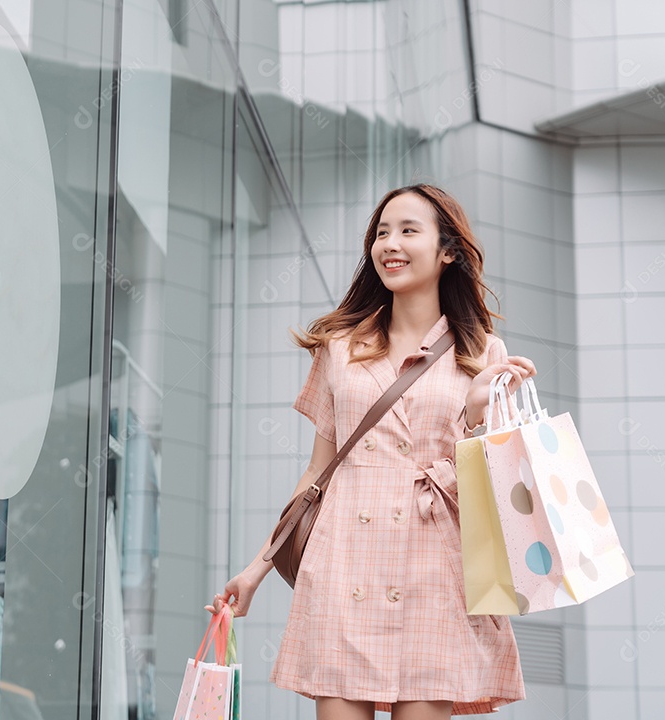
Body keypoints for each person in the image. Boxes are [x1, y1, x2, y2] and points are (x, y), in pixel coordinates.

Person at [205, 184, 535, 719]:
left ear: (447, 250)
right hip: (344, 565)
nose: (390, 244)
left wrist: (478, 415)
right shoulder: (342, 347)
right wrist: (255, 570)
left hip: (435, 571)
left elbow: (494, 489)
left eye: (408, 230)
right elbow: (316, 472)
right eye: (382, 232)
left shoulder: (482, 352)